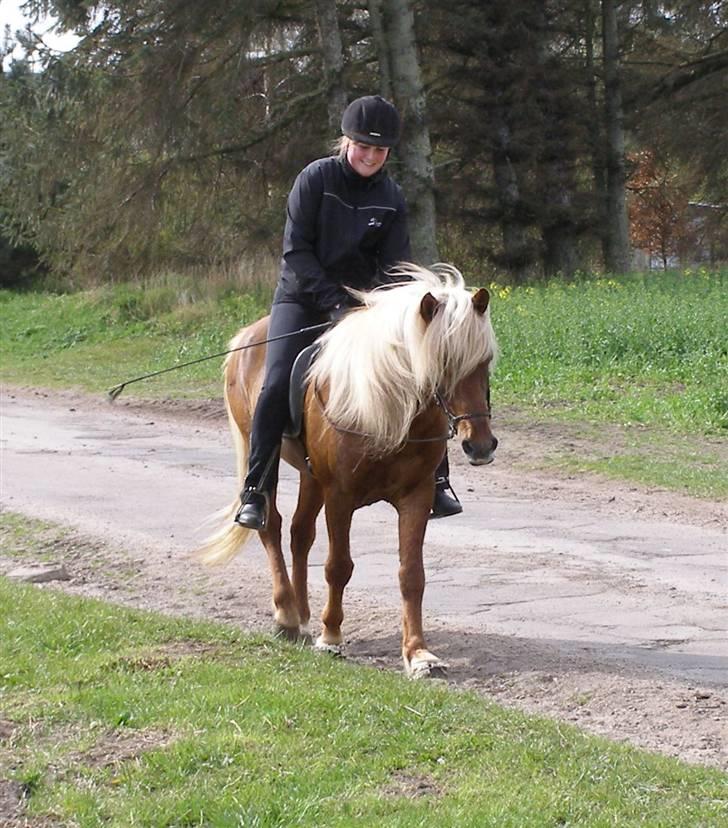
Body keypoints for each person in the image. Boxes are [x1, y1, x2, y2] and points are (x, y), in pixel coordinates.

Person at [234, 95, 463, 530]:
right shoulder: (315, 180)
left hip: (364, 306)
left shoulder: (391, 196)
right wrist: (333, 302)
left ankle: (438, 479)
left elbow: (396, 267)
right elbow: (296, 252)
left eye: (379, 151)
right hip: (301, 299)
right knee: (278, 379)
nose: (370, 156)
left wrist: (380, 308)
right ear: (346, 141)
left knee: (422, 367)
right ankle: (256, 490)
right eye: (363, 147)